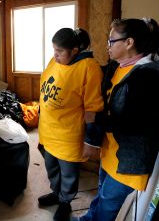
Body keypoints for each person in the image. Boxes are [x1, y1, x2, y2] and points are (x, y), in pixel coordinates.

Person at [76, 18, 159, 221]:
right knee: (101, 196)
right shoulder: (118, 67)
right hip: (111, 152)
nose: (107, 45)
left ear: (129, 43)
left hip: (128, 161)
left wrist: (97, 119)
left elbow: (138, 124)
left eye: (111, 41)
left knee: (107, 205)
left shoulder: (148, 79)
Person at [38, 28, 103, 221]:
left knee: (68, 173)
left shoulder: (89, 67)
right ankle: (56, 193)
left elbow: (94, 108)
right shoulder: (55, 61)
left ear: (75, 50)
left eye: (59, 52)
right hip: (48, 131)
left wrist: (91, 141)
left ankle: (65, 201)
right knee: (52, 168)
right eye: (54, 51)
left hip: (68, 134)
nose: (55, 56)